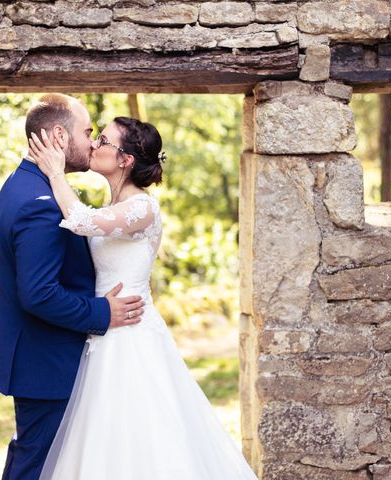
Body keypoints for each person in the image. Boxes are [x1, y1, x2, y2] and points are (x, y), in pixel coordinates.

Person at [28, 116, 259, 479]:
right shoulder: (111, 204)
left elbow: (82, 222)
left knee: (145, 435)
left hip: (132, 335)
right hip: (105, 330)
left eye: (103, 140)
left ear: (125, 159)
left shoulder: (143, 207)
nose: (94, 145)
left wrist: (56, 173)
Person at [0, 94, 146, 480]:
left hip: (45, 356)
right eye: (87, 132)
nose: (92, 142)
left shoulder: (30, 186)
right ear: (58, 135)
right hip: (45, 361)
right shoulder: (39, 201)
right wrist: (103, 312)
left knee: (47, 458)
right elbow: (39, 293)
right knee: (38, 464)